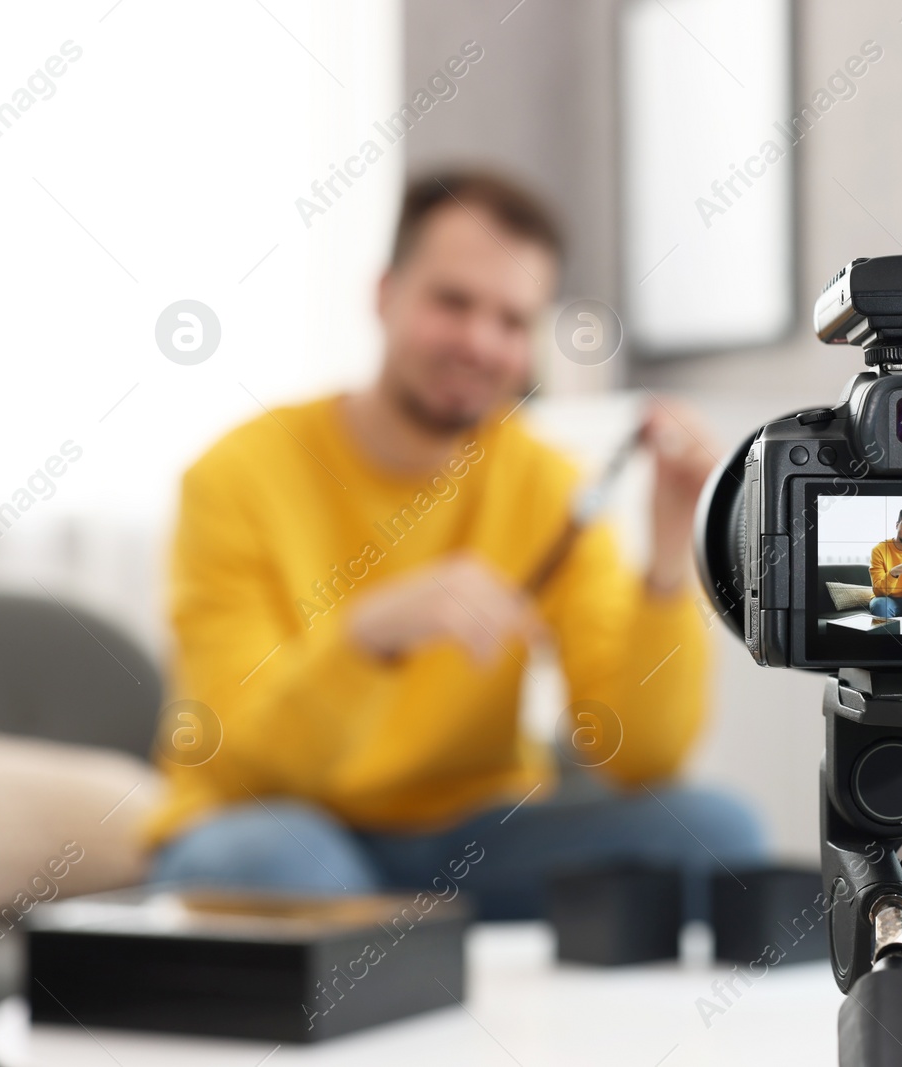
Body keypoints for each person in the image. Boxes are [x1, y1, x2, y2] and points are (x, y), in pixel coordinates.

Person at [145, 170, 763, 919]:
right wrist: (364, 638)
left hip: (475, 846)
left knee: (722, 831)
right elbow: (234, 749)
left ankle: (396, 948)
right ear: (384, 295)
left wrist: (669, 565)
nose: (479, 341)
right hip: (284, 823)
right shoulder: (236, 476)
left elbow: (639, 757)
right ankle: (391, 951)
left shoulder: (548, 486)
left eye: (511, 319)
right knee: (278, 864)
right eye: (453, 302)